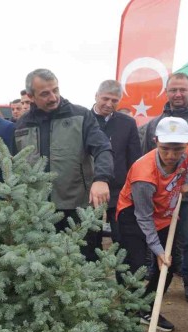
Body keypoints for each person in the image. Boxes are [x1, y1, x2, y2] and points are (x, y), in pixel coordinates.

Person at [14, 69, 113, 262]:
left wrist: (101, 179)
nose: (53, 97)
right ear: (30, 97)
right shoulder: (22, 125)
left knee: (84, 260)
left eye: (55, 90)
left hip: (78, 209)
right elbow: (13, 165)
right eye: (45, 93)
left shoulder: (81, 116)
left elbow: (103, 148)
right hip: (37, 212)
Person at [115, 117, 188, 332]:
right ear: (155, 141)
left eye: (177, 149)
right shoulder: (144, 174)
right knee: (136, 265)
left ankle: (149, 307)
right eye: (165, 149)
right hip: (134, 214)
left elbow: (184, 167)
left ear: (187, 143)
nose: (171, 156)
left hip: (164, 211)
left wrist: (183, 184)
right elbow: (144, 217)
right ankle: (124, 314)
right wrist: (157, 250)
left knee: (167, 264)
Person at [142, 72, 188, 302]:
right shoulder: (154, 122)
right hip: (161, 196)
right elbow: (147, 157)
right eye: (173, 90)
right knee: (159, 238)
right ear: (167, 92)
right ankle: (156, 274)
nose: (178, 94)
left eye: (182, 89)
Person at [91, 80, 141, 242]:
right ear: (96, 96)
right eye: (105, 98)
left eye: (114, 100)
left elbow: (134, 159)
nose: (108, 104)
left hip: (120, 193)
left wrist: (133, 190)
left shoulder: (128, 123)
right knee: (90, 240)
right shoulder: (83, 120)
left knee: (123, 241)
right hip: (90, 191)